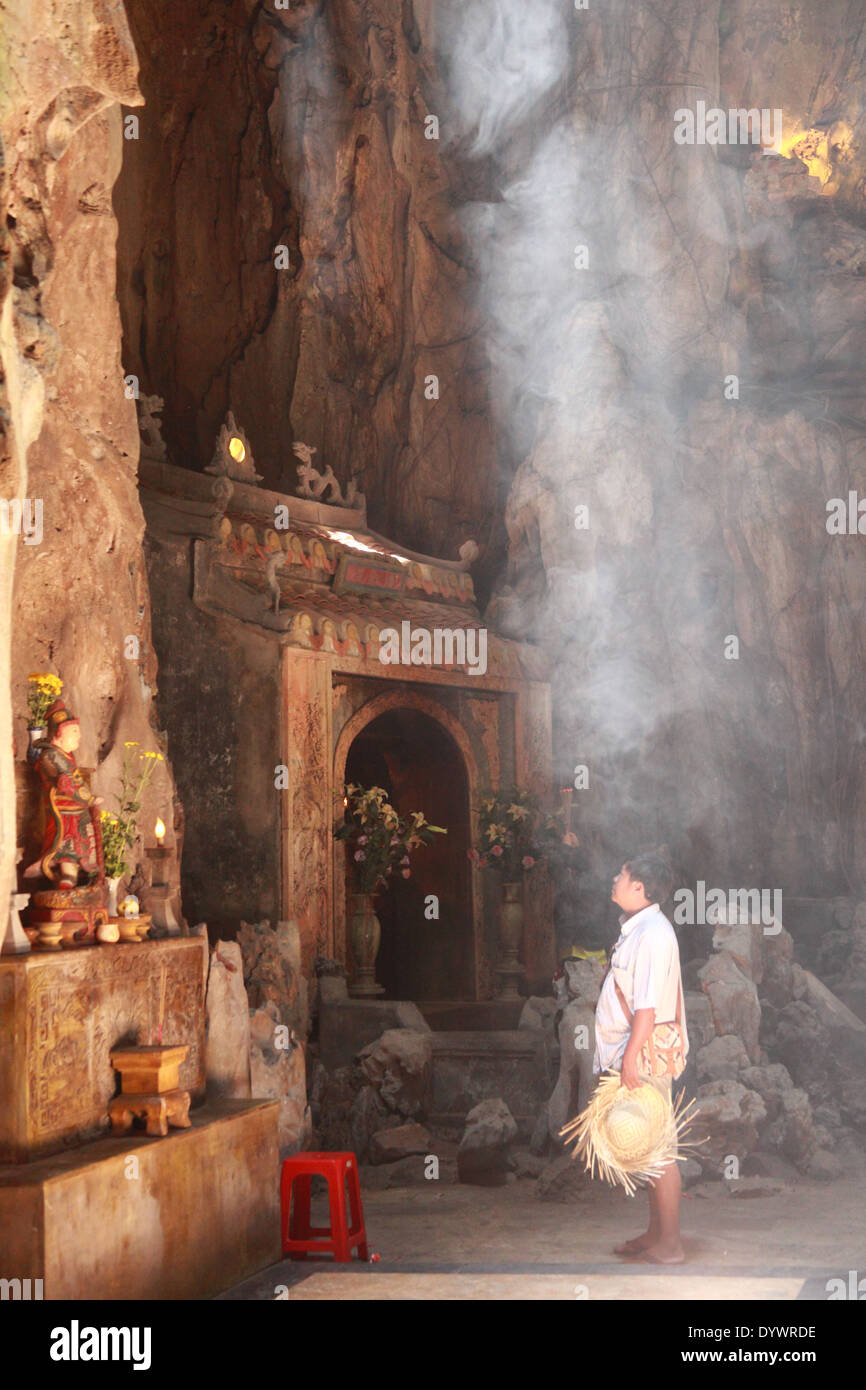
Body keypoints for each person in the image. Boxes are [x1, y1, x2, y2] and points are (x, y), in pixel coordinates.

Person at [592, 847, 688, 1263]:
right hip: (637, 1049)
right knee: (651, 1144)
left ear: (640, 887)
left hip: (645, 1053)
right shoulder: (640, 928)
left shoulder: (653, 934)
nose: (614, 878)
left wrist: (630, 1059)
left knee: (660, 1147)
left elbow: (647, 1009)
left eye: (622, 873)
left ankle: (671, 1243)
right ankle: (656, 1234)